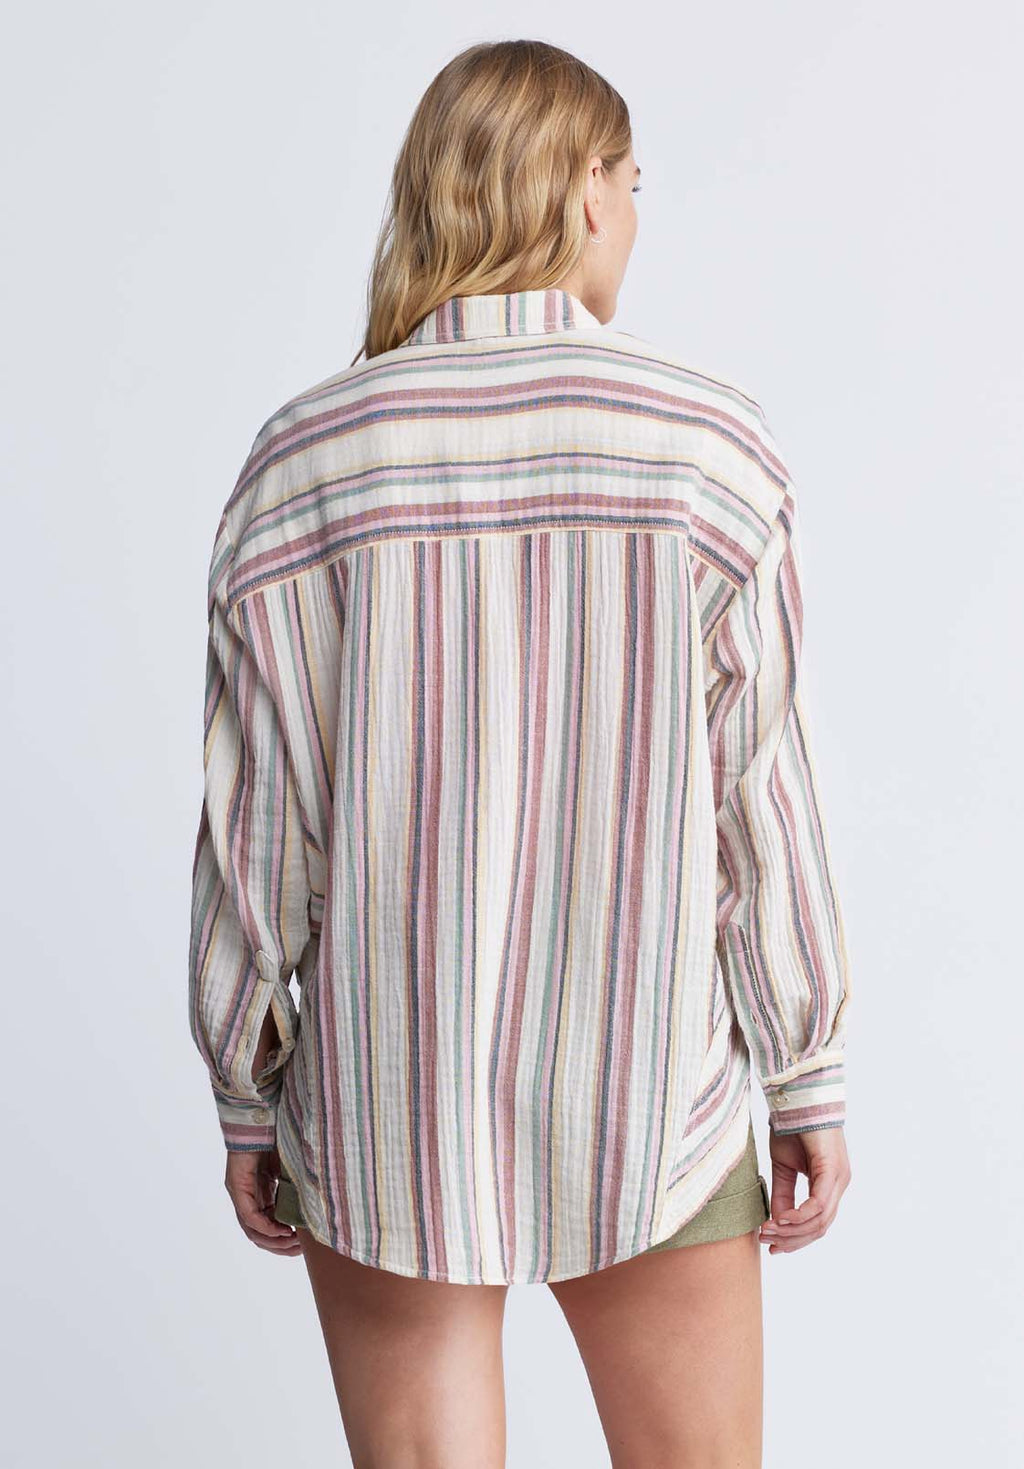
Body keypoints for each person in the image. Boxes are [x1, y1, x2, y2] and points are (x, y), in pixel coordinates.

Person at [188, 36, 852, 1468]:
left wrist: (247, 1081)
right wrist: (804, 1070)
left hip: (387, 1101)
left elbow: (257, 830)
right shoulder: (708, 449)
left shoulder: (300, 466)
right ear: (590, 192)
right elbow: (761, 801)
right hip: (653, 1093)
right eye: (634, 183)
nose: (636, 214)